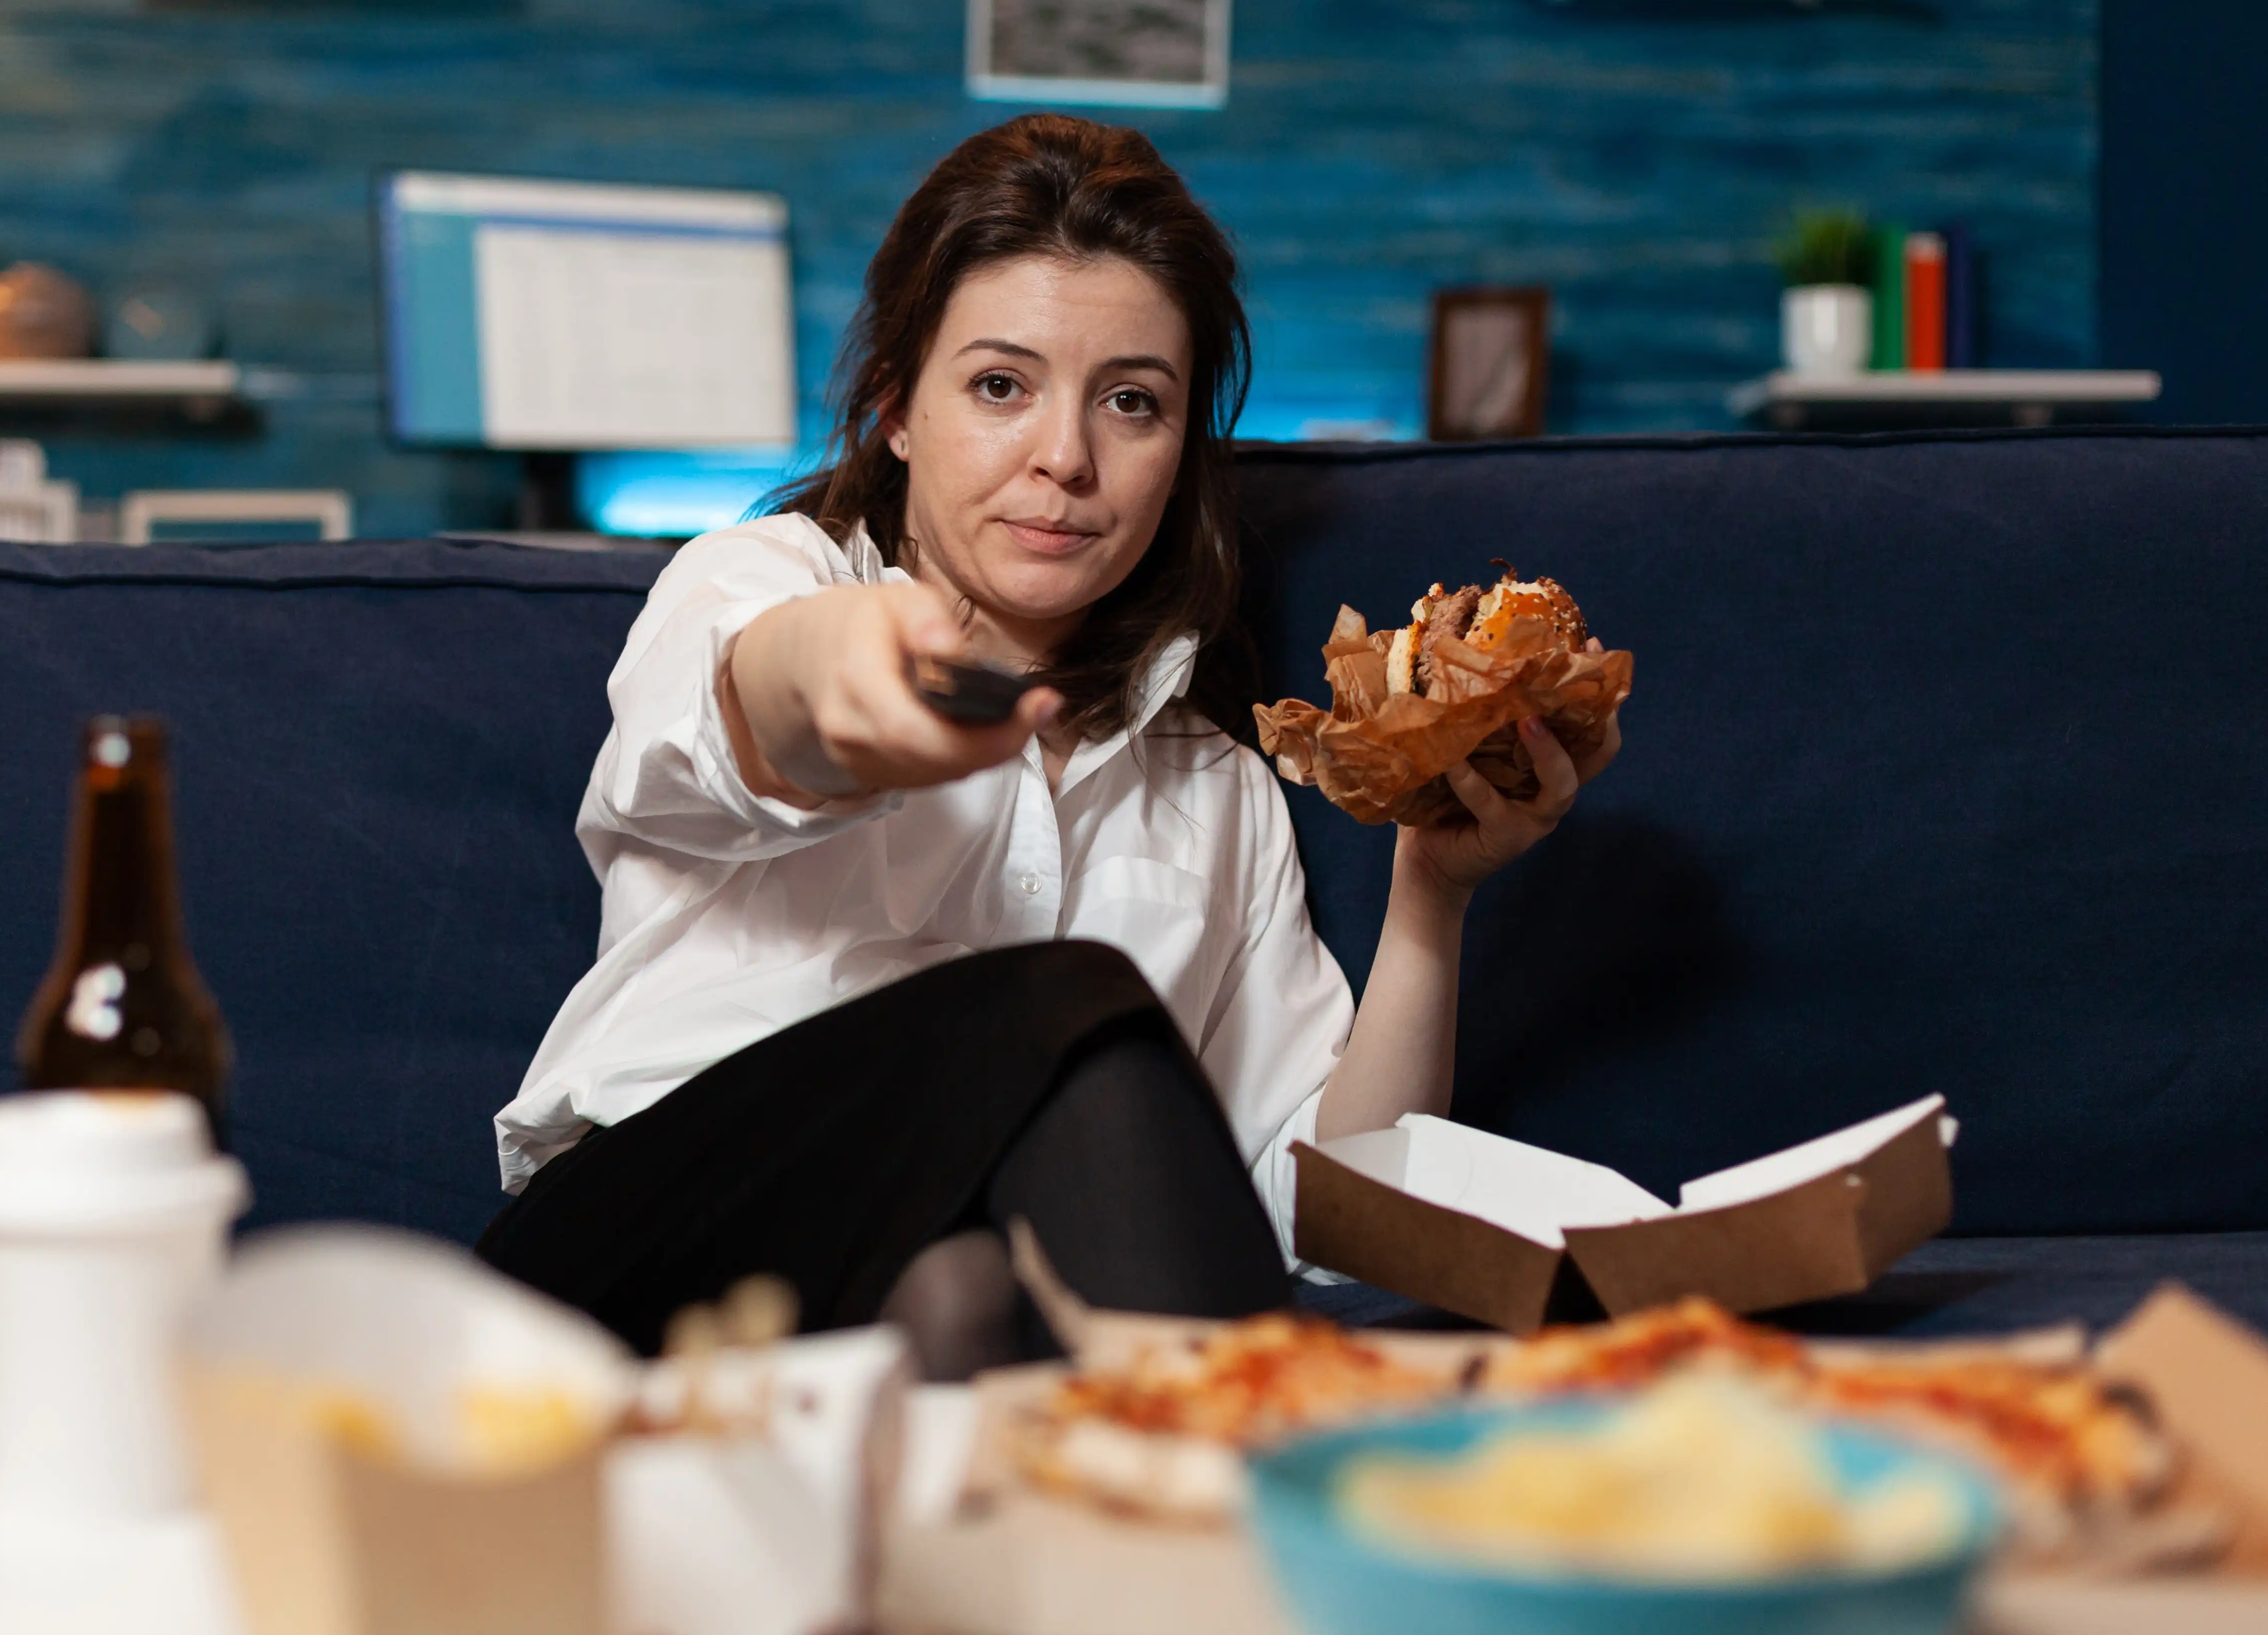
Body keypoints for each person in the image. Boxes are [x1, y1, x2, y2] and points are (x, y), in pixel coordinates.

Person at [480, 114, 1619, 1376]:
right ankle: (1267, 1503)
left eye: (1132, 403)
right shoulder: (758, 581)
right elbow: (751, 706)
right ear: (896, 407)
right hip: (628, 1260)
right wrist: (851, 682)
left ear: (1180, 451)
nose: (1065, 459)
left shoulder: (1218, 788)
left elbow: (1324, 1217)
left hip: (919, 1307)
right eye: (1000, 387)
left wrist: (1431, 895)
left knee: (973, 1286)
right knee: (1076, 1001)